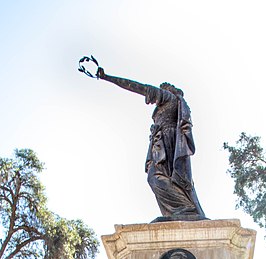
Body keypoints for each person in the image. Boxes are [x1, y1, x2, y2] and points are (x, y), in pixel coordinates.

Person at [83, 59, 206, 221]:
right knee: (159, 178)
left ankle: (185, 208)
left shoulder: (169, 98)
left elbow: (140, 88)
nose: (157, 93)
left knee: (155, 177)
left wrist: (107, 77)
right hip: (161, 143)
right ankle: (183, 208)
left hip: (167, 142)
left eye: (162, 89)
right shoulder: (169, 104)